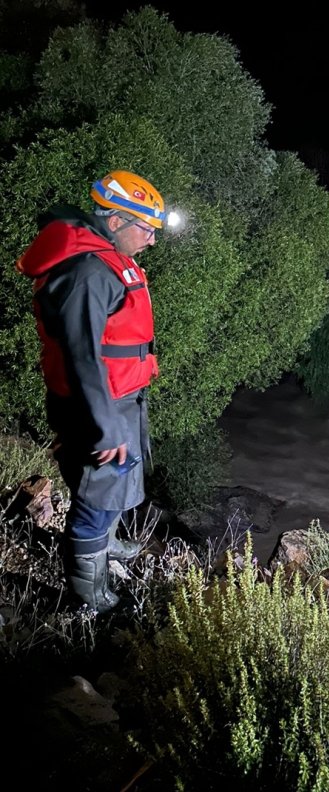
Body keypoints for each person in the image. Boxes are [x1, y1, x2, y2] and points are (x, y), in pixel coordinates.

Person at [16, 170, 166, 613]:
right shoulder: (87, 271)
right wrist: (105, 428)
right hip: (96, 406)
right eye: (146, 229)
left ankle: (107, 544)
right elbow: (84, 356)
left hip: (119, 400)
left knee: (115, 486)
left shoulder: (104, 257)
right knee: (96, 498)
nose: (152, 241)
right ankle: (90, 595)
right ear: (116, 221)